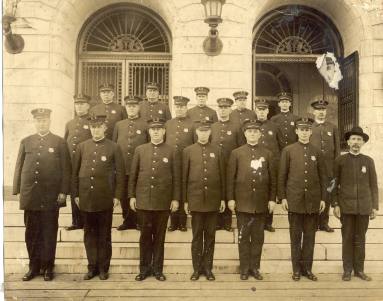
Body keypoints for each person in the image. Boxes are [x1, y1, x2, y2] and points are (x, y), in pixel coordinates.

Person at [13, 108, 71, 281]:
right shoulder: (26, 141)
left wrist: (63, 191)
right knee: (31, 232)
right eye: (38, 121)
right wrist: (17, 190)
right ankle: (33, 267)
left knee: (48, 232)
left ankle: (47, 267)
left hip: (50, 196)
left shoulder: (59, 142)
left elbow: (66, 169)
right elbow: (19, 167)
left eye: (44, 120)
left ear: (50, 121)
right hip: (31, 195)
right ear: (34, 122)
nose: (41, 123)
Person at [72, 114, 125, 280]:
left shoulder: (114, 147)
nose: (96, 130)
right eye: (93, 127)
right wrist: (76, 195)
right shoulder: (82, 147)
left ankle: (103, 268)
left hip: (105, 198)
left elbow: (121, 175)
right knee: (89, 234)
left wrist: (117, 195)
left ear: (105, 128)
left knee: (104, 235)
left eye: (99, 127)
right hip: (86, 198)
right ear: (90, 128)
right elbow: (74, 173)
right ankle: (91, 267)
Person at [129, 118, 181, 282]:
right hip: (144, 200)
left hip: (163, 201)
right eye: (153, 129)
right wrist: (132, 196)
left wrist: (175, 199)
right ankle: (144, 270)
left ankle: (158, 270)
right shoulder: (140, 150)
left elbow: (177, 178)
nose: (156, 132)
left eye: (159, 129)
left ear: (164, 131)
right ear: (149, 132)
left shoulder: (172, 150)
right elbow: (133, 175)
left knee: (159, 238)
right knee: (144, 237)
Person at [227, 119, 277, 281]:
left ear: (260, 134)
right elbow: (230, 178)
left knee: (258, 238)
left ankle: (255, 268)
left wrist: (271, 199)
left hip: (261, 203)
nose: (253, 134)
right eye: (250, 132)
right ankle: (244, 268)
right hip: (243, 202)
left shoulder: (268, 153)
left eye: (256, 132)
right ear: (245, 134)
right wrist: (231, 199)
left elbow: (272, 179)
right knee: (243, 237)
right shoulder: (237, 153)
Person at [278, 117, 327, 282]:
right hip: (294, 200)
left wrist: (323, 199)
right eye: (302, 129)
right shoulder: (288, 150)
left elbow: (323, 178)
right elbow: (282, 176)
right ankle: (296, 270)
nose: (305, 133)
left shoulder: (317, 152)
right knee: (295, 237)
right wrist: (283, 197)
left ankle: (307, 269)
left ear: (311, 132)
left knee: (310, 238)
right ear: (296, 131)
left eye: (307, 130)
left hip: (312, 202)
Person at [332, 126, 379, 281]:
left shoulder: (368, 161)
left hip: (364, 208)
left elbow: (373, 185)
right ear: (348, 141)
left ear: (363, 142)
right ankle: (347, 270)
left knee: (360, 239)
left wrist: (374, 207)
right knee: (347, 238)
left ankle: (359, 270)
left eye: (359, 139)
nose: (356, 142)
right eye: (353, 139)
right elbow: (332, 184)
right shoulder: (340, 160)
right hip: (346, 207)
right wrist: (335, 204)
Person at [183, 119, 226, 281]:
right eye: (200, 131)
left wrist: (222, 198)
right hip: (195, 200)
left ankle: (208, 268)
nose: (203, 134)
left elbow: (222, 176)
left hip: (213, 200)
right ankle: (196, 269)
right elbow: (184, 178)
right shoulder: (188, 151)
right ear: (196, 132)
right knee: (196, 237)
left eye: (206, 131)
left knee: (210, 236)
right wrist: (186, 200)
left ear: (210, 133)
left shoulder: (218, 150)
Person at [113, 95, 148, 231]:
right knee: (124, 194)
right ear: (126, 108)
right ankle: (127, 221)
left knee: (137, 193)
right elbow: (115, 146)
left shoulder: (145, 124)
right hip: (123, 166)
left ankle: (139, 221)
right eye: (129, 106)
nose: (131, 109)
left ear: (138, 107)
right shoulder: (119, 125)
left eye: (134, 106)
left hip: (140, 166)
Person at [211, 97, 242, 231]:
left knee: (229, 190)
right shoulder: (213, 127)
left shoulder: (236, 127)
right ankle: (217, 221)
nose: (223, 110)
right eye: (221, 108)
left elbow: (241, 146)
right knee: (217, 190)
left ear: (230, 109)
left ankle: (227, 222)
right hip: (215, 165)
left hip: (231, 164)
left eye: (226, 108)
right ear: (218, 109)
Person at [166, 96, 195, 232]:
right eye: (177, 106)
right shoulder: (168, 124)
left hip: (186, 162)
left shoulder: (192, 124)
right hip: (171, 162)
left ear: (186, 108)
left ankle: (182, 222)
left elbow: (195, 145)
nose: (179, 109)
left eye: (182, 107)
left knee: (183, 189)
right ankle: (173, 221)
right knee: (172, 189)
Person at [310, 99, 340, 232]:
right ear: (313, 111)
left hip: (329, 168)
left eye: (323, 110)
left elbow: (337, 149)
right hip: (313, 167)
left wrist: (336, 166)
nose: (321, 112)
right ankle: (313, 222)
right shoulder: (309, 127)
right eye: (318, 110)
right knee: (314, 193)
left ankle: (324, 222)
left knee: (326, 194)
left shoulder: (332, 127)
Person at [64, 93, 92, 231]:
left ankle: (87, 221)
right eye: (77, 104)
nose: (79, 106)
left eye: (82, 104)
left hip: (86, 163)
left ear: (88, 106)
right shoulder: (70, 123)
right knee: (74, 191)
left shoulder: (92, 122)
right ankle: (76, 221)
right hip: (71, 163)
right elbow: (65, 144)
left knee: (85, 191)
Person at [254, 99, 280, 232]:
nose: (262, 112)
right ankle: (258, 221)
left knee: (270, 191)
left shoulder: (274, 126)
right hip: (254, 164)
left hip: (270, 164)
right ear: (256, 110)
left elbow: (279, 146)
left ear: (268, 111)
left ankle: (268, 222)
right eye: (259, 109)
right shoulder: (251, 126)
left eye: (264, 110)